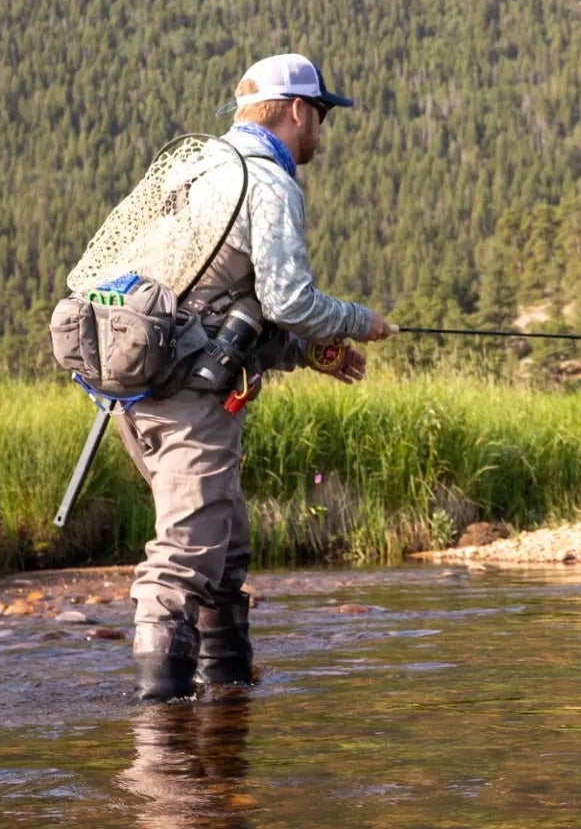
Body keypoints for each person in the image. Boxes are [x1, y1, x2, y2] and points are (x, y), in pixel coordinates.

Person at [115, 52, 396, 702]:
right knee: (186, 555)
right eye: (321, 114)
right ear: (298, 110)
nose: (320, 129)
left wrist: (305, 353)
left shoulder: (189, 170)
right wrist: (360, 321)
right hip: (189, 396)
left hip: (134, 387)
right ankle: (162, 735)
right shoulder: (267, 181)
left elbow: (215, 304)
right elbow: (289, 302)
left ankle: (226, 704)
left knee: (224, 547)